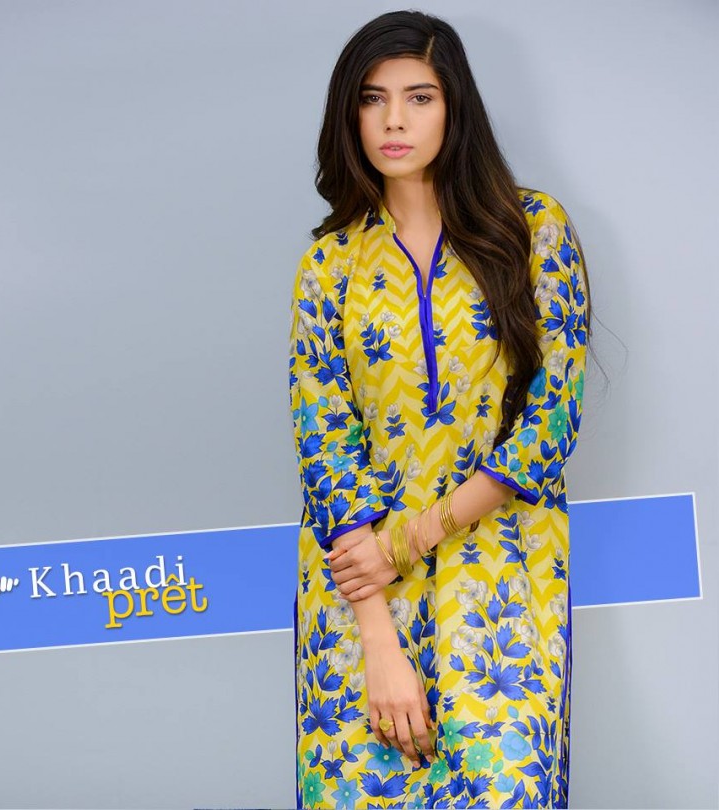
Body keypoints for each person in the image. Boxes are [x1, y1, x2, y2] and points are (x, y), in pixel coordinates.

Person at [288, 10, 591, 809]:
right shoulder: (329, 263)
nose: (394, 120)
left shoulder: (532, 231)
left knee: (506, 787)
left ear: (455, 107)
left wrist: (415, 537)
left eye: (419, 97)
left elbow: (550, 422)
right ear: (349, 114)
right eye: (373, 98)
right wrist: (378, 641)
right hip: (360, 591)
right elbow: (325, 447)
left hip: (501, 571)